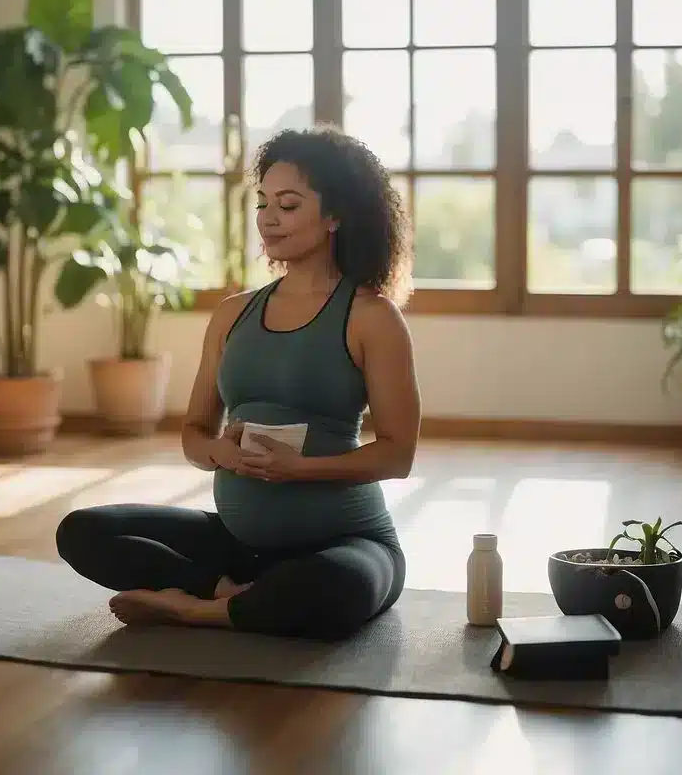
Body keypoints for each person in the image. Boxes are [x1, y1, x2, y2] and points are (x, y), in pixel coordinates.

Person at [55, 125, 421, 641]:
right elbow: (194, 432)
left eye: (289, 205)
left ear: (336, 215)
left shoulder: (371, 317)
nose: (269, 218)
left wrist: (301, 470)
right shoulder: (233, 313)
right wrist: (220, 455)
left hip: (346, 541)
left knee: (338, 587)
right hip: (238, 545)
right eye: (263, 202)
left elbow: (396, 455)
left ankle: (196, 608)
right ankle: (232, 593)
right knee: (83, 531)